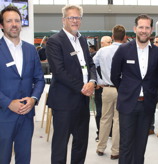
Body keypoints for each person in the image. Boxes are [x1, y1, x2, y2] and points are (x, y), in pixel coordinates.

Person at [45, 5, 97, 164]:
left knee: (81, 143)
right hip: (64, 102)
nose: (75, 21)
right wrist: (83, 87)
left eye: (78, 17)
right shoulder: (54, 41)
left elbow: (91, 64)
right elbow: (59, 72)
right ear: (64, 20)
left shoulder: (82, 40)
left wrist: (92, 82)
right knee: (61, 144)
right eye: (71, 17)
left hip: (82, 102)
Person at [111, 14, 158, 164]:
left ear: (152, 30)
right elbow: (115, 75)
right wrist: (126, 91)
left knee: (141, 145)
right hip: (127, 104)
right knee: (126, 145)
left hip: (146, 105)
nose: (144, 30)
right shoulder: (123, 50)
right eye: (141, 27)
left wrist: (151, 91)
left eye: (147, 27)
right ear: (135, 29)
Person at [0, 6, 45, 164]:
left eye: (17, 20)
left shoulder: (31, 49)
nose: (14, 24)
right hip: (3, 116)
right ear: (1, 25)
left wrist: (33, 99)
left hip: (26, 116)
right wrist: (8, 103)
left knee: (24, 158)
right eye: (9, 21)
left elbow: (39, 79)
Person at [94, 25, 127, 160]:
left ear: (112, 37)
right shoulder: (128, 50)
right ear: (125, 37)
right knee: (118, 120)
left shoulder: (103, 51)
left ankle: (100, 148)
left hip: (106, 88)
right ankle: (115, 151)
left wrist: (99, 80)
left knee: (105, 118)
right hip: (122, 89)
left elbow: (93, 64)